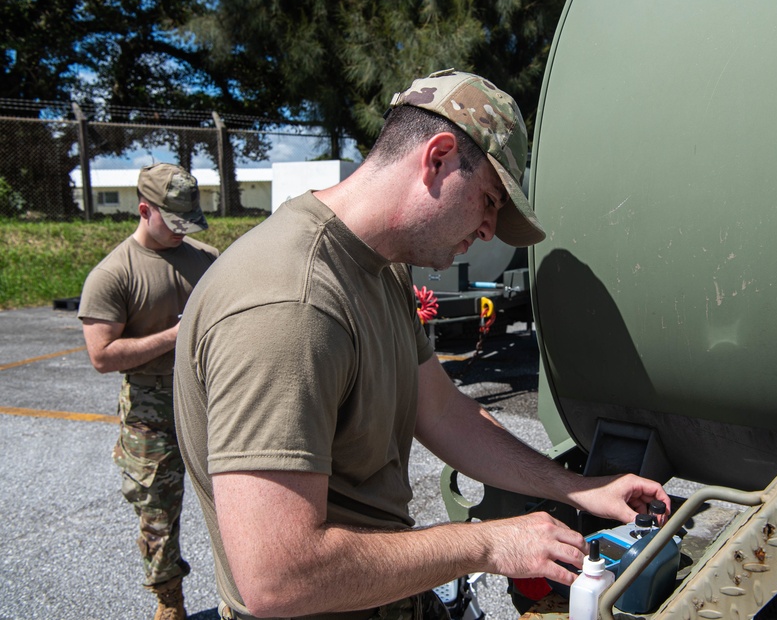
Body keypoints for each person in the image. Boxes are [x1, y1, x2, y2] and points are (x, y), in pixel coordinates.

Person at [173, 69, 670, 620]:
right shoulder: (291, 305)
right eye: (487, 201)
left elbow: (441, 410)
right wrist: (487, 544)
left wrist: (578, 488)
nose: (487, 230)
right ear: (437, 157)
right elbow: (280, 579)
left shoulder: (377, 267)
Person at [79, 163, 219, 620]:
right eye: (173, 222)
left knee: (240, 501)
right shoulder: (113, 274)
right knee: (158, 516)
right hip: (151, 415)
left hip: (208, 402)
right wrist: (173, 337)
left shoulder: (206, 259)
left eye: (189, 222)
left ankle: (246, 593)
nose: (183, 232)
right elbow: (102, 356)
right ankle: (169, 603)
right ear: (144, 210)